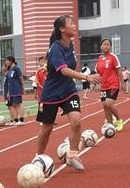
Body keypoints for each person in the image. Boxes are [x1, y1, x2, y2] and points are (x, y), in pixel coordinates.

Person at [35, 15, 100, 172]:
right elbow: (64, 70)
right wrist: (86, 76)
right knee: (47, 129)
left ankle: (72, 156)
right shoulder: (55, 48)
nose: (74, 24)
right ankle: (38, 158)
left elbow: (69, 69)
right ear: (62, 29)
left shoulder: (70, 44)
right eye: (71, 23)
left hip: (68, 91)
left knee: (76, 121)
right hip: (51, 93)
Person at [95, 38, 124, 131]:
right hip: (104, 86)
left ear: (110, 46)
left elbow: (119, 71)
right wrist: (94, 83)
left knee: (109, 103)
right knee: (105, 106)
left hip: (113, 84)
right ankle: (110, 124)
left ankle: (119, 120)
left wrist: (122, 83)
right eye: (104, 44)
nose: (106, 46)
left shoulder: (113, 57)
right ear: (101, 46)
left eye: (108, 44)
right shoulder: (99, 59)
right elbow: (97, 73)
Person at [2, 56, 25, 125]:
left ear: (11, 61)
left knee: (19, 104)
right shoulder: (10, 70)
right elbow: (9, 82)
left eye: (7, 61)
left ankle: (21, 120)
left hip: (17, 89)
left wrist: (23, 87)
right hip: (11, 91)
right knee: (14, 105)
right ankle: (15, 120)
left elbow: (21, 78)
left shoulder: (16, 69)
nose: (6, 63)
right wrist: (8, 92)